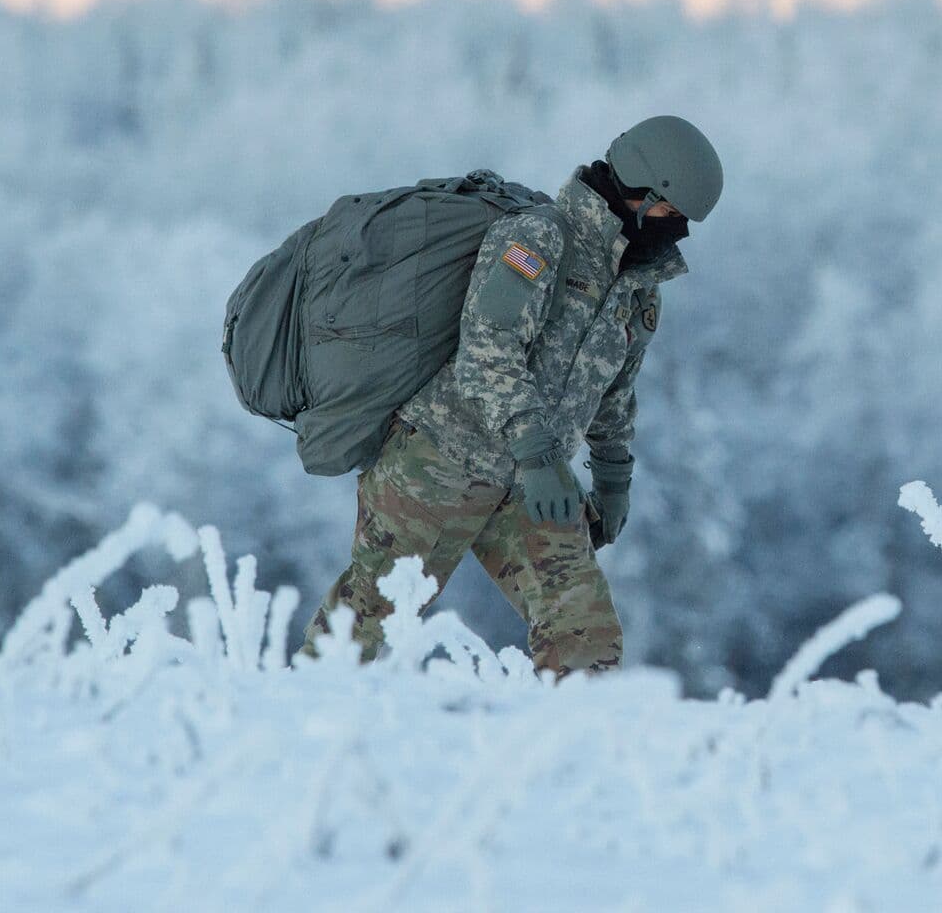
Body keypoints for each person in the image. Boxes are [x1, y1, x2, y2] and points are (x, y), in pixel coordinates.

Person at [300, 116, 723, 676]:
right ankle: (292, 727)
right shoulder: (539, 238)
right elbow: (487, 351)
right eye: (672, 214)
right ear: (640, 190)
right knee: (368, 619)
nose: (677, 232)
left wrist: (614, 477)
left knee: (585, 633)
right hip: (440, 462)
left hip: (531, 480)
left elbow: (615, 389)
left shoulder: (636, 285)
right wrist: (536, 453)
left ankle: (574, 751)